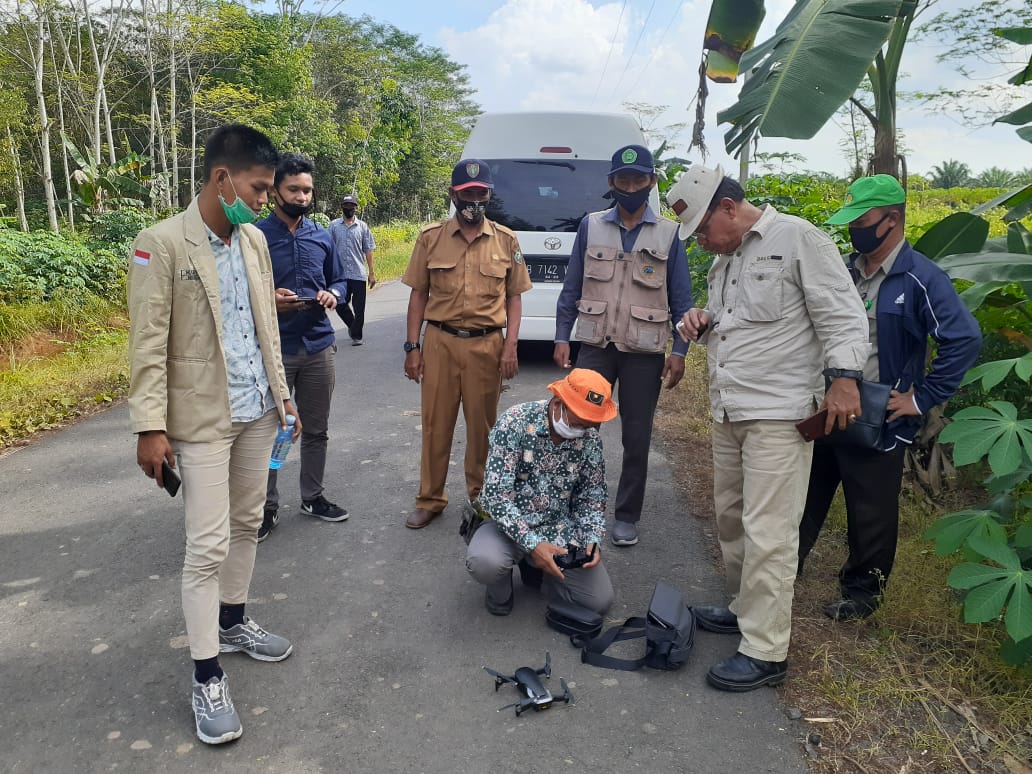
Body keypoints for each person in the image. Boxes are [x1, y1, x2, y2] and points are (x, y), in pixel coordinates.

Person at [667, 164, 870, 692]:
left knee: (770, 529)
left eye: (704, 231)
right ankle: (743, 607)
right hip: (729, 408)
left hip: (779, 414)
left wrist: (844, 379)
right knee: (730, 516)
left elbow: (843, 315)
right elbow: (732, 320)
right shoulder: (724, 263)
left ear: (729, 208)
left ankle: (766, 649)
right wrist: (701, 321)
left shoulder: (798, 238)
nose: (703, 244)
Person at [128, 124, 300, 744]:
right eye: (257, 188)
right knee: (205, 546)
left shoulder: (253, 240)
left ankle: (234, 621)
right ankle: (206, 675)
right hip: (200, 420)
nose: (264, 200)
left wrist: (283, 396)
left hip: (258, 411)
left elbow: (264, 328)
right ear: (222, 178)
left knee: (248, 523)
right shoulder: (162, 243)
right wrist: (150, 427)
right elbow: (147, 345)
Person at [798, 174, 982, 621]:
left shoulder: (919, 278)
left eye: (861, 221)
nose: (853, 231)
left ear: (892, 220)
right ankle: (785, 567)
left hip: (878, 412)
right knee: (803, 492)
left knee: (871, 508)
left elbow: (963, 338)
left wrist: (921, 399)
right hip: (825, 403)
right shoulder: (844, 269)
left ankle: (862, 593)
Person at [554, 144, 694, 548]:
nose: (630, 186)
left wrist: (680, 352)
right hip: (595, 347)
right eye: (623, 180)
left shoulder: (669, 233)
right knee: (575, 426)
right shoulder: (591, 225)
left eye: (638, 179)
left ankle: (626, 516)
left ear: (651, 182)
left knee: (636, 437)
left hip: (644, 354)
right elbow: (572, 286)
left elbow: (682, 301)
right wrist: (563, 337)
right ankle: (569, 504)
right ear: (611, 183)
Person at [401, 159, 532, 529]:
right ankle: (430, 498)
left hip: (486, 346)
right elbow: (418, 296)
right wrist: (413, 347)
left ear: (489, 195)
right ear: (453, 196)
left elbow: (515, 298)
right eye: (466, 194)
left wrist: (511, 347)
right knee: (435, 424)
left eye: (480, 193)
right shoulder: (431, 238)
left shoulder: (506, 240)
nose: (474, 200)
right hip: (440, 343)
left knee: (483, 428)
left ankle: (481, 497)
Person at [465, 369, 618, 616]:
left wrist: (592, 537)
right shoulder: (514, 422)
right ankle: (501, 587)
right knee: (486, 563)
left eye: (592, 423)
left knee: (598, 601)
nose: (584, 430)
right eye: (580, 422)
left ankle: (538, 571)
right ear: (559, 403)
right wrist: (533, 545)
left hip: (557, 526)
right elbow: (496, 497)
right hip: (505, 524)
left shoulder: (590, 438)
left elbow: (592, 495)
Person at [256, 153, 350, 541]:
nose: (301, 196)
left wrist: (332, 294)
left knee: (317, 430)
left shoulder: (322, 236)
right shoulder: (255, 236)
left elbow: (343, 282)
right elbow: (241, 291)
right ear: (276, 189)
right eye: (293, 189)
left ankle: (313, 496)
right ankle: (264, 507)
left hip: (318, 347)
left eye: (307, 190)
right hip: (273, 349)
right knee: (269, 432)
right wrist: (269, 300)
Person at [329, 193, 377, 345]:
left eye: (351, 206)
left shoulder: (362, 227)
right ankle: (353, 326)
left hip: (358, 273)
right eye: (346, 206)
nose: (349, 208)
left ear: (356, 208)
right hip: (340, 276)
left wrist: (371, 273)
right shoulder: (334, 226)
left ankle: (357, 336)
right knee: (339, 303)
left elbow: (368, 250)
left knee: (359, 308)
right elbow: (328, 248)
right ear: (341, 207)